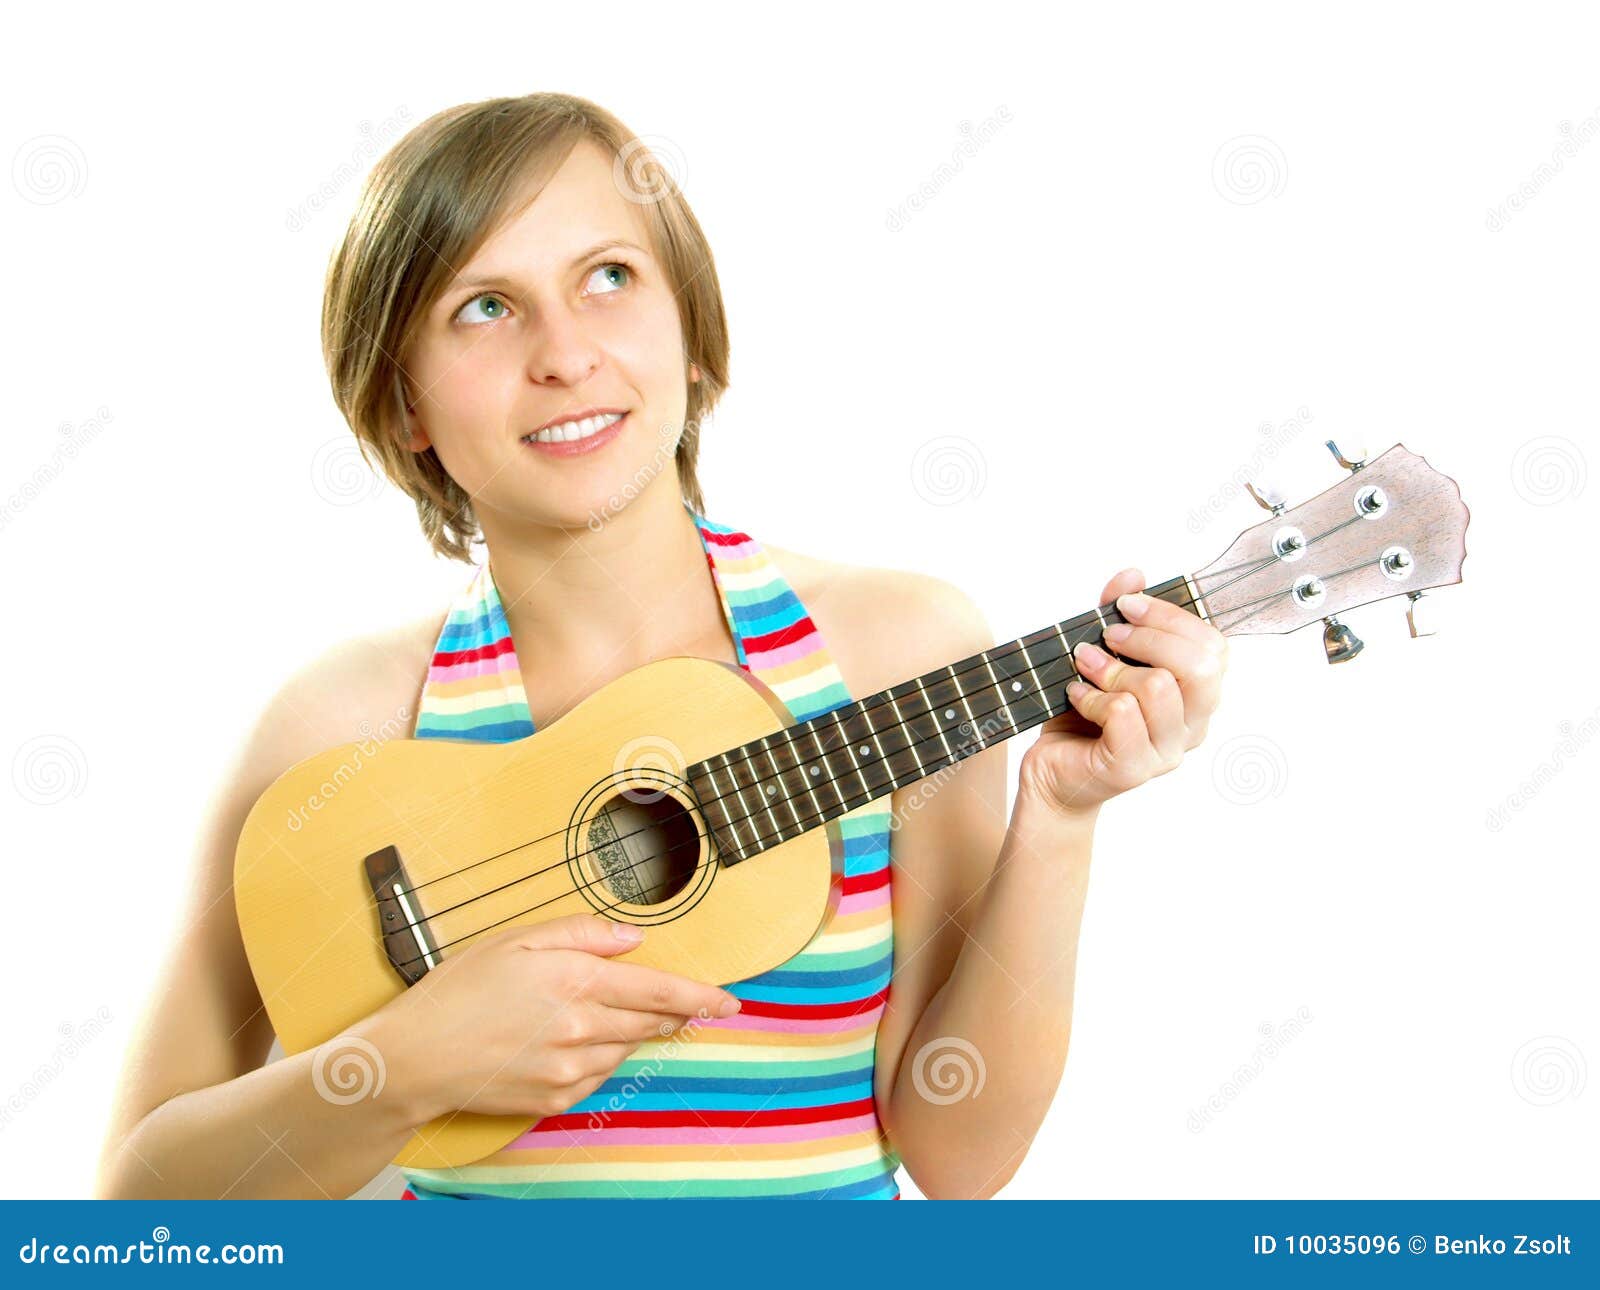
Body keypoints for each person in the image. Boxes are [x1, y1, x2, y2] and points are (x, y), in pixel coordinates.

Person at [95, 91, 1228, 1200]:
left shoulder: (892, 652)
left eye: (608, 277)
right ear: (404, 407)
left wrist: (1063, 815)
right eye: (484, 307)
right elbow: (134, 1204)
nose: (566, 354)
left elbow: (960, 1162)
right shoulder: (341, 731)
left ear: (690, 333)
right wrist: (399, 1069)